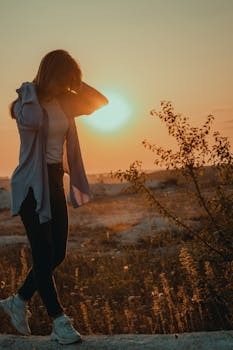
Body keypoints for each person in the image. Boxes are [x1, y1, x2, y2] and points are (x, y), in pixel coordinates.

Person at [0, 49, 109, 345]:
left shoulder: (65, 102)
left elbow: (100, 102)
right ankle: (60, 322)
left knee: (56, 253)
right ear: (51, 74)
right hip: (31, 187)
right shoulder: (25, 102)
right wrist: (33, 90)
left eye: (71, 80)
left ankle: (17, 300)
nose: (67, 85)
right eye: (64, 78)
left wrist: (77, 84)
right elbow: (34, 121)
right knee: (42, 253)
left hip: (54, 183)